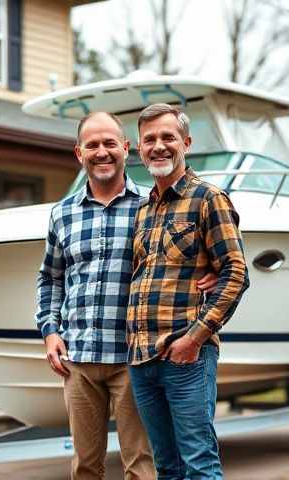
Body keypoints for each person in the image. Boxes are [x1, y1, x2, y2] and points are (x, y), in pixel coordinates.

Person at [36, 111, 219, 479]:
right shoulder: (62, 214)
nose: (101, 152)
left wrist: (211, 267)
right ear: (78, 153)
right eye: (92, 145)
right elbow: (50, 278)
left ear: (125, 148)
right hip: (80, 358)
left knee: (141, 465)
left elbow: (183, 252)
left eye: (109, 143)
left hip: (134, 359)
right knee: (85, 466)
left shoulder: (150, 206)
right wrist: (49, 330)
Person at [126, 103, 250, 480]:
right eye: (149, 139)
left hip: (187, 358)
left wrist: (195, 339)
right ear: (139, 148)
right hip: (142, 360)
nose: (158, 146)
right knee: (168, 468)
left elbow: (236, 273)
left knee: (199, 465)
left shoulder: (208, 198)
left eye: (168, 137)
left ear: (186, 142)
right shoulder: (144, 210)